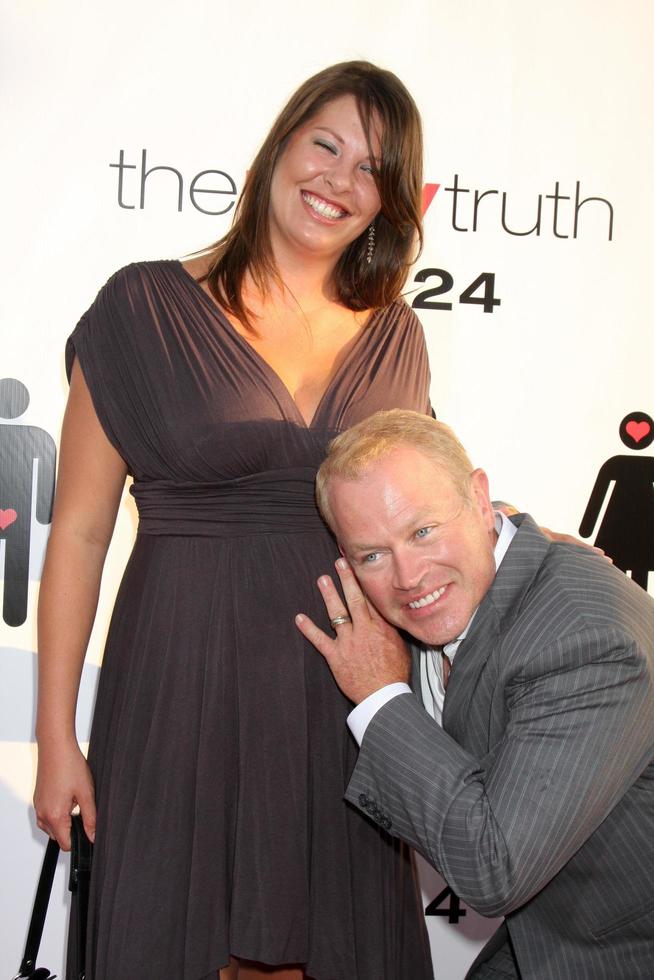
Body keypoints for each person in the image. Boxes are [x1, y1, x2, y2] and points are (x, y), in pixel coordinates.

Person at [33, 62, 435, 980]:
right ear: (279, 146)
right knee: (173, 931)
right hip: (182, 673)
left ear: (390, 203)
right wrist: (58, 734)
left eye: (370, 169)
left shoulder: (398, 336)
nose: (338, 180)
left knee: (336, 940)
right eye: (324, 145)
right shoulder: (139, 307)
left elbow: (419, 518)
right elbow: (83, 534)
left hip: (346, 689)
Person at [296, 409, 654, 979]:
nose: (409, 575)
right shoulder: (461, 576)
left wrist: (381, 695)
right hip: (540, 943)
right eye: (372, 554)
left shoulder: (584, 637)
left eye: (423, 532)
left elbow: (495, 869)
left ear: (481, 499)